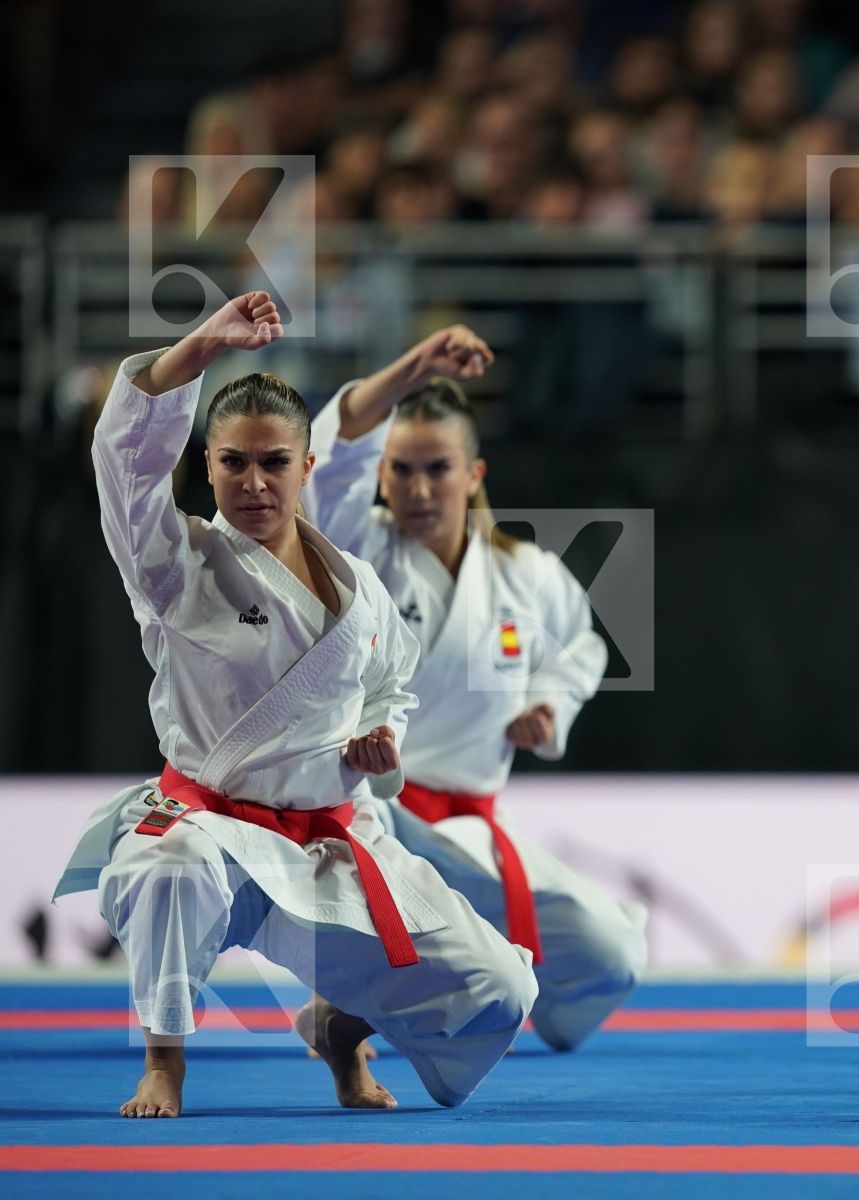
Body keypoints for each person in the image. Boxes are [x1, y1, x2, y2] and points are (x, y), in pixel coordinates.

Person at [55, 293, 539, 1117]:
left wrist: (377, 738)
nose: (253, 481)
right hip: (211, 833)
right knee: (164, 864)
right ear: (205, 464)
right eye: (233, 461)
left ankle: (339, 1027)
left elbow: (393, 685)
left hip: (324, 847)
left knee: (499, 991)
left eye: (273, 461)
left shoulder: (362, 588)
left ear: (306, 467)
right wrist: (204, 344)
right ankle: (164, 1062)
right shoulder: (178, 563)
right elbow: (125, 461)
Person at [302, 325, 647, 1054]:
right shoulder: (355, 551)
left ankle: (404, 1001)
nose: (418, 489)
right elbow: (334, 455)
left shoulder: (527, 573)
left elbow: (581, 649)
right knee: (457, 1021)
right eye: (400, 470)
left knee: (613, 955)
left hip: (472, 831)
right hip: (375, 823)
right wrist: (413, 367)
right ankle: (356, 1005)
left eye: (437, 468)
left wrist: (548, 710)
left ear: (474, 473)